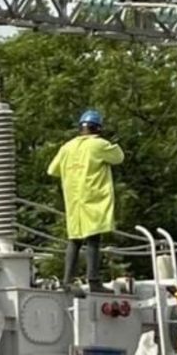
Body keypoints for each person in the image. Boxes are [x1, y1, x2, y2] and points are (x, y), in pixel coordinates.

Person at [47, 109, 124, 294]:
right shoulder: (98, 145)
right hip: (93, 198)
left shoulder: (67, 147)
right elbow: (118, 157)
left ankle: (66, 281)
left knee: (74, 239)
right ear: (98, 128)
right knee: (93, 239)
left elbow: (52, 170)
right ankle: (94, 281)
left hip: (74, 200)